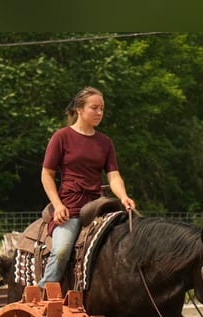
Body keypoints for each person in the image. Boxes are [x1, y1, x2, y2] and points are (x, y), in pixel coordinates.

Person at [38, 86, 136, 289]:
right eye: (94, 108)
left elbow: (113, 175)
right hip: (71, 208)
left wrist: (123, 196)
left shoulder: (105, 142)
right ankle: (43, 292)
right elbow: (47, 175)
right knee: (62, 250)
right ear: (79, 109)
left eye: (102, 108)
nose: (99, 113)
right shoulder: (62, 137)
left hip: (98, 206)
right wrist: (58, 205)